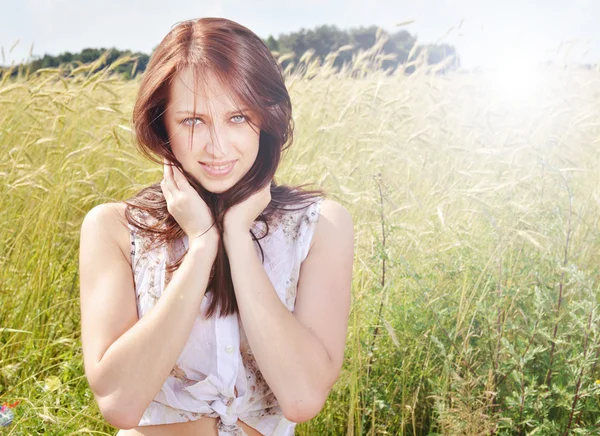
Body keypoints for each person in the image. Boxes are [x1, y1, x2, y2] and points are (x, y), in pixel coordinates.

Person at [78, 17, 354, 436]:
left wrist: (238, 240)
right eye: (192, 121)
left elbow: (302, 397)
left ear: (266, 118)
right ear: (162, 125)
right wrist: (202, 244)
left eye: (238, 117)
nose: (218, 146)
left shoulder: (318, 226)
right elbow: (120, 403)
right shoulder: (114, 228)